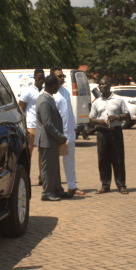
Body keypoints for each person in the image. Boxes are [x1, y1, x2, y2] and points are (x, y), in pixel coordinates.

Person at [89, 76, 130, 194]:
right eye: (99, 85)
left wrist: (117, 117)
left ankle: (121, 185)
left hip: (115, 131)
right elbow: (91, 119)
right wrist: (99, 122)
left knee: (118, 158)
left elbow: (126, 115)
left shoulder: (118, 99)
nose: (100, 86)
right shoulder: (97, 102)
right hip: (102, 132)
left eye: (103, 84)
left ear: (109, 85)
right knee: (103, 159)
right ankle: (105, 184)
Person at [35, 75, 72, 201]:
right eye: (58, 85)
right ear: (54, 86)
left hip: (51, 140)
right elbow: (48, 124)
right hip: (47, 140)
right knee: (48, 167)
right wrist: (60, 137)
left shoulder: (48, 98)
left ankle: (57, 189)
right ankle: (47, 192)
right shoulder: (44, 100)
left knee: (54, 166)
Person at [51, 66, 85, 195]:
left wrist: (74, 128)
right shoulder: (50, 93)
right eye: (59, 76)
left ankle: (72, 186)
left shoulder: (65, 91)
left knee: (70, 161)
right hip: (58, 134)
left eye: (63, 76)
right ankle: (55, 188)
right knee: (54, 162)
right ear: (53, 77)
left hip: (69, 131)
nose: (62, 78)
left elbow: (68, 111)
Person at [18, 69, 45, 185]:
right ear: (34, 78)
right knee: (28, 154)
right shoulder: (28, 91)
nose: (41, 80)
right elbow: (21, 109)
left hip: (43, 127)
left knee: (42, 154)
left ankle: (42, 178)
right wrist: (24, 126)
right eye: (39, 78)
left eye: (43, 78)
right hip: (31, 127)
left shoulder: (45, 91)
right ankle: (26, 177)